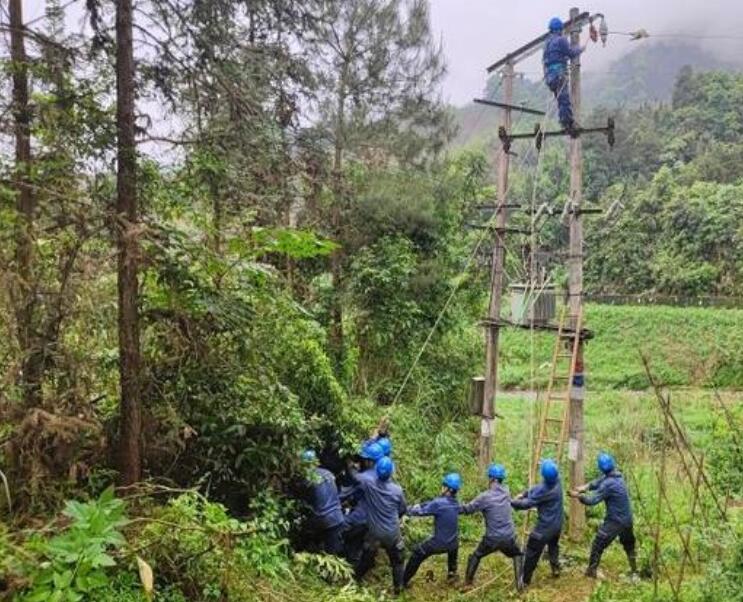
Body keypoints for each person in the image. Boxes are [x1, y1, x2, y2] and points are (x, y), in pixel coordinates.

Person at [569, 453, 638, 578]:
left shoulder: (608, 484)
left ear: (600, 467)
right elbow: (598, 481)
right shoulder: (617, 476)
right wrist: (585, 487)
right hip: (627, 518)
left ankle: (591, 571)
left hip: (615, 521)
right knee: (629, 544)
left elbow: (592, 501)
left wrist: (578, 496)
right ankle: (634, 570)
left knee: (598, 543)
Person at [460, 463, 523, 590]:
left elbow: (468, 509)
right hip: (508, 537)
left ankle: (468, 583)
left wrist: (453, 506)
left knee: (476, 555)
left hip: (492, 539)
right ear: (501, 479)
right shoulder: (506, 492)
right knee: (518, 555)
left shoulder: (484, 497)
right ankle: (520, 586)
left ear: (492, 479)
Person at [353, 456, 407, 595]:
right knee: (397, 562)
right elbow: (402, 510)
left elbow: (355, 477)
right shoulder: (397, 490)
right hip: (392, 533)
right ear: (391, 472)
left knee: (366, 557)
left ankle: (354, 580)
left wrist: (349, 465)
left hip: (374, 533)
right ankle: (398, 590)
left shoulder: (369, 484)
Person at [402, 472, 462, 588]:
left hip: (439, 543)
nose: (441, 487)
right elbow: (431, 504)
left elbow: (421, 511)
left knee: (417, 554)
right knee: (454, 546)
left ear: (447, 488)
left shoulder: (438, 503)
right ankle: (452, 574)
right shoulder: (455, 503)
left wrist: (406, 510)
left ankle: (403, 582)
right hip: (453, 544)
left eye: (443, 485)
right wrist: (421, 504)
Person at [511, 459, 564, 586]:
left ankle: (525, 581)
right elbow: (536, 489)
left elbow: (527, 504)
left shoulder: (544, 490)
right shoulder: (558, 480)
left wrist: (512, 502)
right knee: (553, 546)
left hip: (544, 528)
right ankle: (555, 567)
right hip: (557, 524)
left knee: (531, 552)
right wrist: (525, 493)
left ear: (544, 476)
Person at [341, 441, 385, 564]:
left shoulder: (365, 477)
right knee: (357, 543)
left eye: (363, 459)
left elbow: (353, 481)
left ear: (369, 461)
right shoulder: (382, 474)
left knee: (340, 528)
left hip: (362, 517)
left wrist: (349, 464)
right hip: (376, 520)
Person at [543, 17, 586, 133]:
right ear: (559, 29)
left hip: (550, 77)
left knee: (561, 100)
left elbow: (550, 59)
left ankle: (566, 122)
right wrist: (580, 49)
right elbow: (571, 53)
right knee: (564, 100)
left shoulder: (547, 43)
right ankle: (567, 124)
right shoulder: (561, 40)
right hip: (559, 75)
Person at [299, 449, 345, 555]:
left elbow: (303, 502)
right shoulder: (328, 473)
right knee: (334, 555)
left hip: (320, 519)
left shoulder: (306, 479)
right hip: (337, 517)